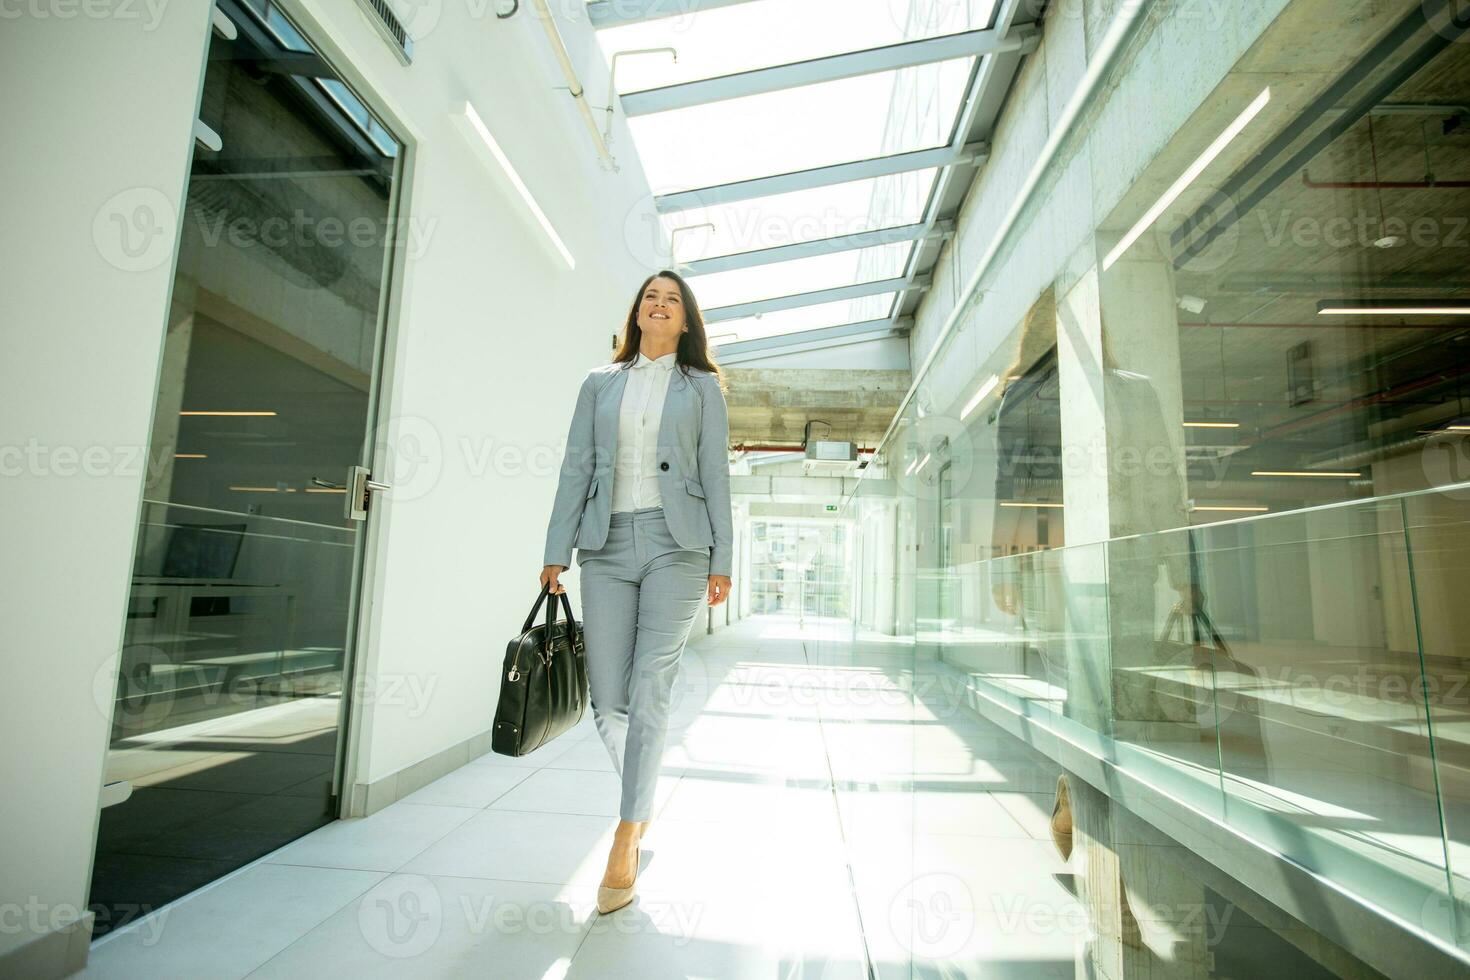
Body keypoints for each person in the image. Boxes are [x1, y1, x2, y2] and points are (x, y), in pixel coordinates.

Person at [539, 270, 734, 915]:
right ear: (637, 313)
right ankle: (643, 802)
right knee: (608, 699)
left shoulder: (702, 389)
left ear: (685, 321)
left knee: (652, 683)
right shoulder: (599, 383)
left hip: (680, 546)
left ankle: (625, 836)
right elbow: (576, 466)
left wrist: (722, 558)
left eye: (672, 299)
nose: (660, 304)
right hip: (606, 543)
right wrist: (554, 552)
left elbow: (716, 475)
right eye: (652, 296)